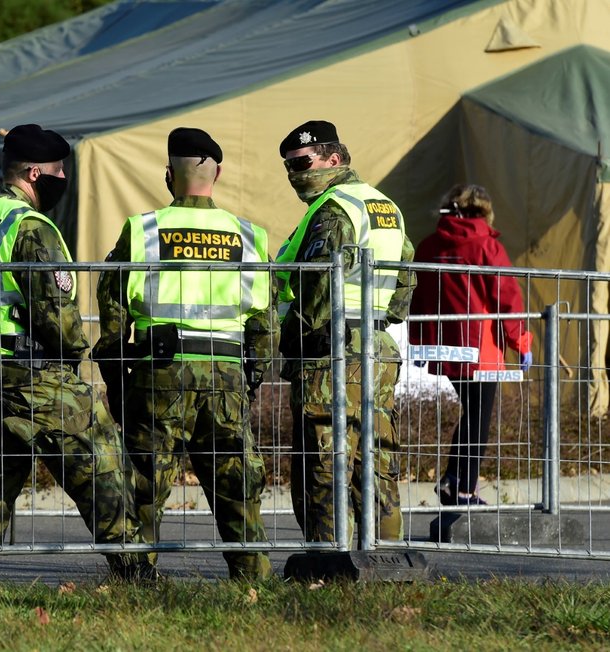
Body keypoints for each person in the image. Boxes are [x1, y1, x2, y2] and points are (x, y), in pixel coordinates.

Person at [0, 123, 153, 585]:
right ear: (35, 173)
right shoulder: (32, 228)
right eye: (58, 170)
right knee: (102, 465)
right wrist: (81, 352)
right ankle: (136, 575)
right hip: (30, 374)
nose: (63, 178)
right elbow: (53, 313)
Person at [93, 127, 277, 581]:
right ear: (217, 174)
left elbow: (112, 300)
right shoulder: (249, 234)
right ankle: (252, 576)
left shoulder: (143, 229)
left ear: (168, 174)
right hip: (226, 373)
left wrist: (119, 371)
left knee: (145, 481)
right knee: (236, 479)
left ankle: (137, 576)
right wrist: (251, 374)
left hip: (160, 371)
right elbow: (264, 320)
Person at [276, 120, 415, 543]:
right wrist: (379, 321)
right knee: (374, 461)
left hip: (331, 352)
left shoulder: (335, 208)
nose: (295, 174)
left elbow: (317, 289)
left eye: (302, 162)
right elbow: (406, 275)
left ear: (333, 159)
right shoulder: (383, 204)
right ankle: (385, 556)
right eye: (288, 166)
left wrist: (288, 344)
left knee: (324, 464)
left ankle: (328, 561)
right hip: (375, 347)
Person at [409, 184, 532, 506]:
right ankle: (463, 488)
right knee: (478, 417)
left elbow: (418, 299)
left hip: (445, 346)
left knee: (472, 413)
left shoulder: (428, 246)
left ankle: (455, 481)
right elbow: (507, 299)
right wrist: (521, 342)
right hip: (482, 347)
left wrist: (419, 342)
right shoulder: (488, 247)